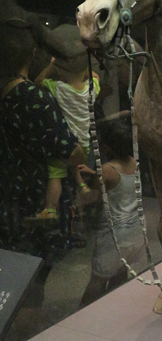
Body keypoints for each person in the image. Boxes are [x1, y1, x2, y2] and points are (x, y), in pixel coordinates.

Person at [0, 0, 86, 257]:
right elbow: (71, 153)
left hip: (8, 201)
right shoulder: (33, 96)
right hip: (34, 208)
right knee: (34, 273)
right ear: (33, 51)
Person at [29, 24, 100, 221]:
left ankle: (50, 209)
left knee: (56, 176)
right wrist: (84, 67)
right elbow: (95, 76)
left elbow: (37, 82)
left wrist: (51, 67)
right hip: (83, 145)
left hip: (64, 143)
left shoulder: (57, 88)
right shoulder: (91, 89)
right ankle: (83, 186)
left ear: (59, 73)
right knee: (73, 163)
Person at [78, 113, 146, 305]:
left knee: (98, 280)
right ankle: (113, 309)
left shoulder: (106, 170)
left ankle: (84, 314)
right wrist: (94, 173)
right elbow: (119, 182)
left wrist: (78, 179)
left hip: (113, 238)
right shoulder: (134, 163)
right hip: (134, 233)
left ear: (107, 146)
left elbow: (91, 198)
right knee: (120, 273)